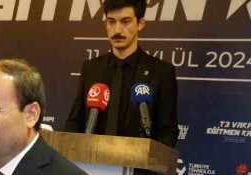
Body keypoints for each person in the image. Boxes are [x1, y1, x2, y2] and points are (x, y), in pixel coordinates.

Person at [64, 0, 178, 147]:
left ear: (140, 23)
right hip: (91, 159)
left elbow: (167, 131)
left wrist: (148, 157)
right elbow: (75, 122)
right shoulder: (91, 68)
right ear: (105, 24)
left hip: (138, 160)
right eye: (111, 22)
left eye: (125, 22)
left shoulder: (161, 72)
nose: (117, 30)